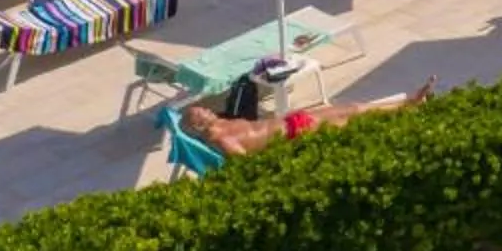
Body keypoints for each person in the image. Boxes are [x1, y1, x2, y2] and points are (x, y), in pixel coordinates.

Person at [181, 78, 438, 158]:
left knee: (351, 108)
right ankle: (407, 108)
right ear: (198, 125)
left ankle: (407, 103)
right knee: (351, 119)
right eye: (201, 112)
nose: (206, 109)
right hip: (295, 133)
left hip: (292, 121)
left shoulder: (223, 122)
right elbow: (247, 161)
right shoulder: (222, 138)